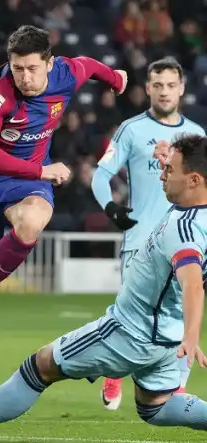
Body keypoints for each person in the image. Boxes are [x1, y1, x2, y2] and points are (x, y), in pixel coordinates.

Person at [0, 133, 207, 443]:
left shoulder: (183, 231)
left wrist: (192, 337)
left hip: (131, 331)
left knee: (40, 366)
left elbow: (193, 285)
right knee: (155, 406)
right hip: (167, 335)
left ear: (194, 180)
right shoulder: (199, 214)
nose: (162, 174)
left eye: (170, 170)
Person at [0, 25, 127, 436]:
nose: (23, 77)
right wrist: (41, 168)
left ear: (49, 62)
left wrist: (116, 79)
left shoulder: (66, 73)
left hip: (25, 184)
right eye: (16, 68)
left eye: (30, 68)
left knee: (33, 219)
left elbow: (90, 66)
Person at [92, 56, 205, 410]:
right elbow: (100, 174)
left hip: (187, 239)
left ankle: (173, 387)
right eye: (158, 85)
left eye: (171, 85)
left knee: (179, 311)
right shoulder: (131, 129)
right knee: (135, 316)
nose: (165, 91)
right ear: (147, 89)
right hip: (142, 241)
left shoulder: (197, 137)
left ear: (182, 89)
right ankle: (116, 370)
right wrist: (111, 207)